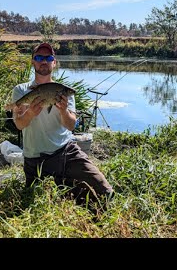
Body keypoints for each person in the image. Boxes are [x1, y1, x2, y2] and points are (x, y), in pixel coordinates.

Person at [11, 42, 114, 208]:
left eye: (48, 57)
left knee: (104, 191)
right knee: (43, 203)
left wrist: (64, 111)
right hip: (35, 159)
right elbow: (19, 125)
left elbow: (71, 125)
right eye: (38, 58)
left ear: (54, 62)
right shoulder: (21, 90)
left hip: (66, 151)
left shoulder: (63, 91)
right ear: (32, 62)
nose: (43, 61)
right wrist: (30, 113)